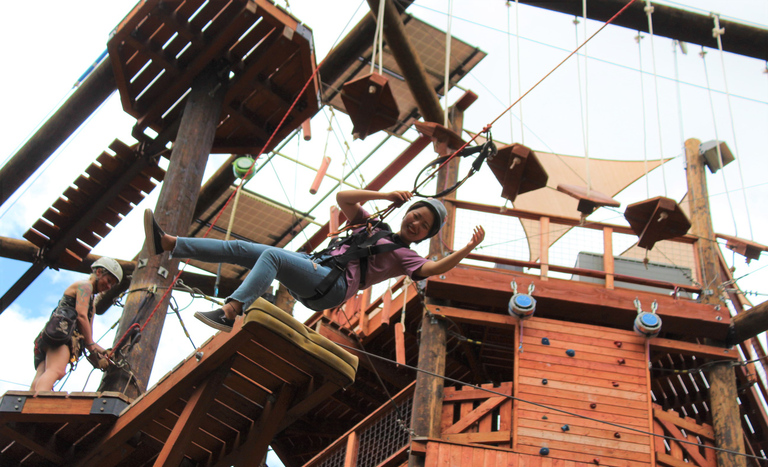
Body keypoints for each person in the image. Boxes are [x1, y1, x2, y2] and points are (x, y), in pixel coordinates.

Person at [143, 190, 485, 332]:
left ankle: (231, 311)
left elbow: (434, 269)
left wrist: (466, 249)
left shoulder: (406, 256)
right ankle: (170, 243)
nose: (415, 224)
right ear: (407, 213)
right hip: (315, 266)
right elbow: (343, 198)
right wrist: (384, 195)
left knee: (272, 256)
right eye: (415, 216)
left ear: (424, 236)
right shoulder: (374, 225)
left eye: (423, 225)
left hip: (331, 285)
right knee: (245, 249)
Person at [30, 257, 122, 391]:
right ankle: (37, 405)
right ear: (99, 272)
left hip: (53, 335)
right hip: (62, 336)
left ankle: (29, 404)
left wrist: (104, 352)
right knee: (56, 370)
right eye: (108, 281)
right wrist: (91, 349)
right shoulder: (85, 286)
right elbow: (81, 315)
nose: (108, 287)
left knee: (43, 372)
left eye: (112, 285)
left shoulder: (91, 302)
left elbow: (87, 336)